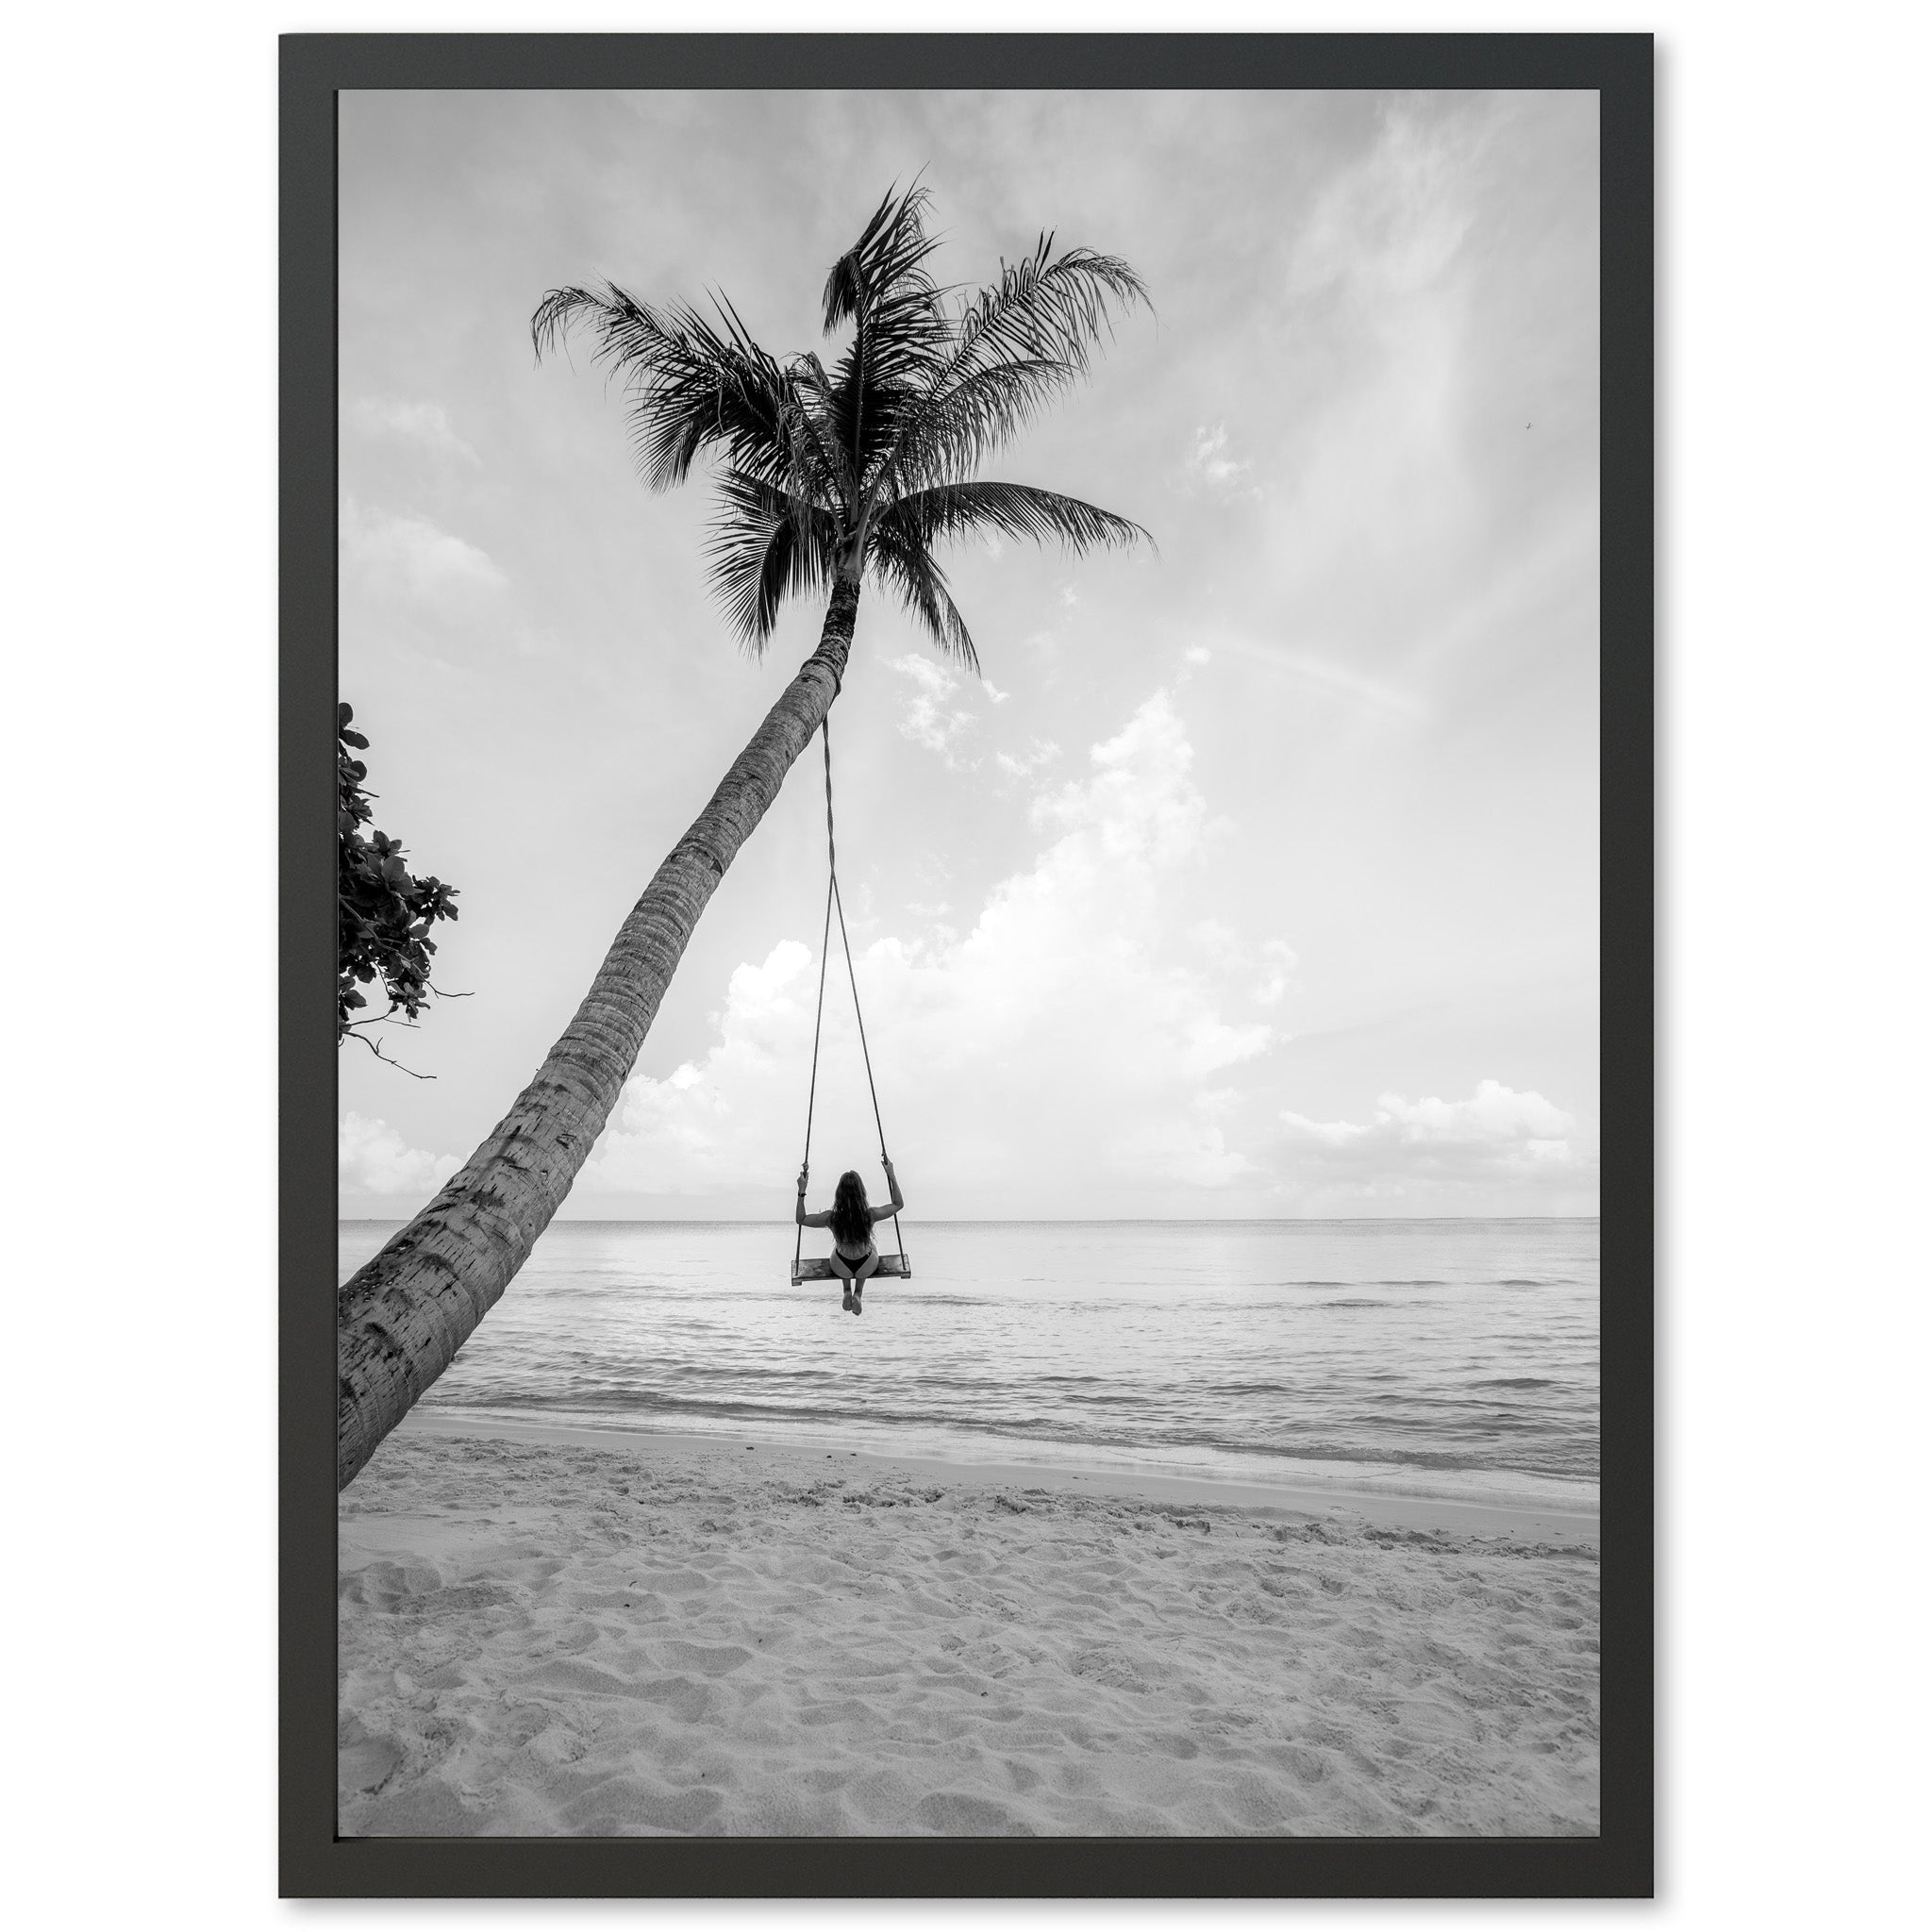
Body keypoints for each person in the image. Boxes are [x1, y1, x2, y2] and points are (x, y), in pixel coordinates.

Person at [795, 1158, 904, 1314]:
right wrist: (891, 1175)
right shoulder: (870, 1215)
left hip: (841, 1266)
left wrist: (802, 1190)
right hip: (866, 1265)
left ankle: (846, 1291)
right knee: (871, 1246)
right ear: (861, 1192)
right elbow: (898, 1204)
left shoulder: (831, 1217)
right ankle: (858, 1294)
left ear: (839, 1193)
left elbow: (801, 1219)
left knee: (837, 1249)